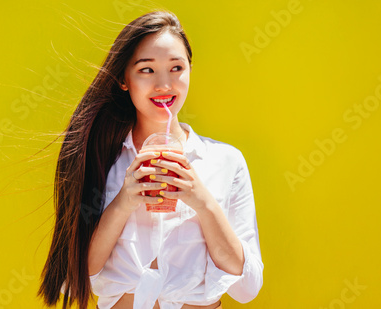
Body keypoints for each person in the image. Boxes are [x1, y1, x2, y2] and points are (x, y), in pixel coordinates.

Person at [37, 10, 263, 309]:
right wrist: (124, 201)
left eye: (176, 68)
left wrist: (201, 200)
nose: (164, 85)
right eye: (146, 70)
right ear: (123, 79)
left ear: (189, 71)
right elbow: (74, 275)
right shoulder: (102, 159)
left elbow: (247, 288)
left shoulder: (225, 161)